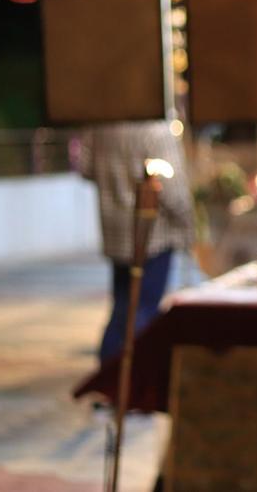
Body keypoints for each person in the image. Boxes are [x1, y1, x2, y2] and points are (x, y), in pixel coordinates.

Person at [79, 120, 195, 363]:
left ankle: (110, 376)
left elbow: (85, 167)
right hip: (153, 234)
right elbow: (173, 190)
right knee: (142, 310)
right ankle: (129, 377)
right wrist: (188, 224)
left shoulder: (100, 128)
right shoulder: (155, 130)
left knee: (123, 304)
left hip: (116, 232)